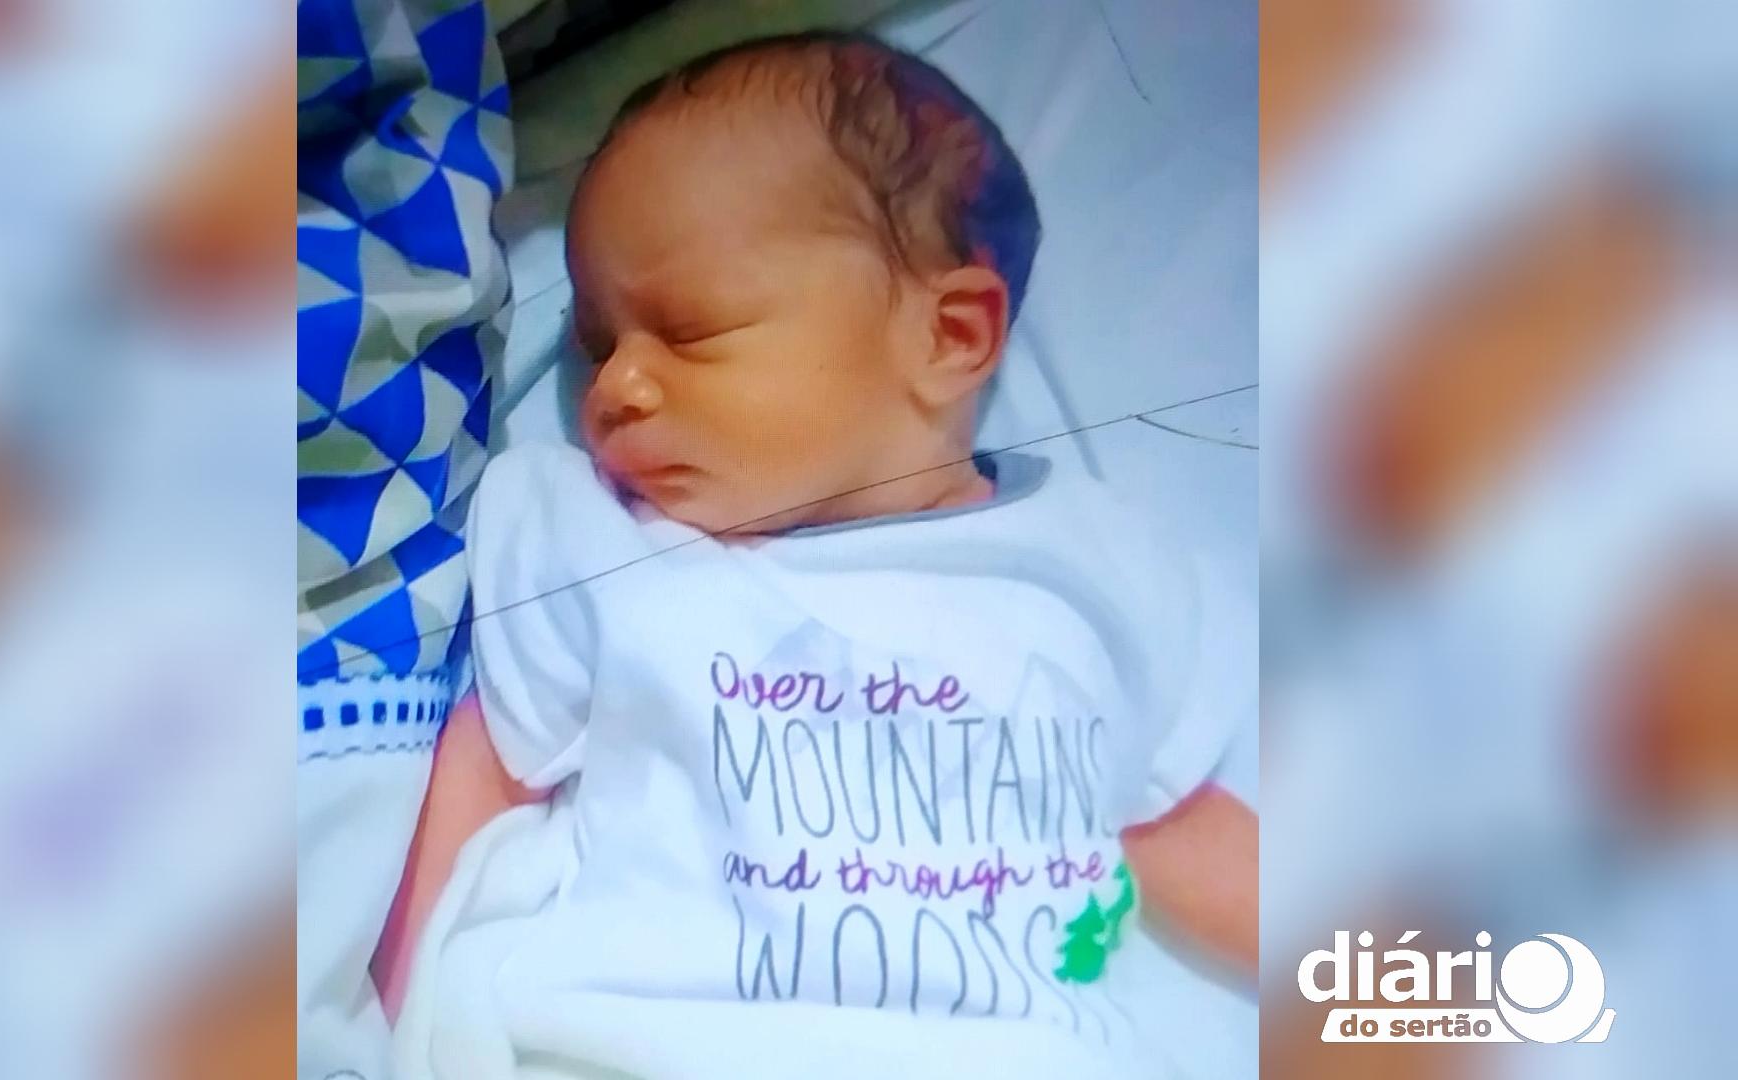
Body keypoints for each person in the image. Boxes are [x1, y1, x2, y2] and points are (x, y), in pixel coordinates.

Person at [385, 32, 1256, 1076]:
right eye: (599, 347)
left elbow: (1167, 826)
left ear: (949, 337)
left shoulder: (1093, 571)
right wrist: (367, 1016)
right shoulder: (604, 543)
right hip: (646, 1047)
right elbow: (483, 780)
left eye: (689, 329)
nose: (614, 387)